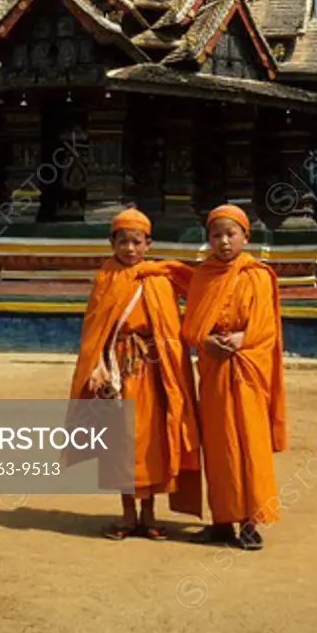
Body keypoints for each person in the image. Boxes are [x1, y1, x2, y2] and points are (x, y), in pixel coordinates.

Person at [68, 207, 201, 540]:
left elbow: (172, 326)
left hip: (155, 374)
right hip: (117, 372)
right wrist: (97, 366)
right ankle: (127, 514)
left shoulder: (159, 278)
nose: (130, 249)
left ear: (148, 243)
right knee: (119, 442)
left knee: (154, 440)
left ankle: (150, 513)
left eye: (136, 242)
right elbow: (95, 330)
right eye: (123, 242)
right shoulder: (105, 278)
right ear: (112, 242)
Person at [182, 203, 286, 551]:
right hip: (213, 370)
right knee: (218, 444)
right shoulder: (203, 275)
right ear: (208, 239)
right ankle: (222, 520)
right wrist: (207, 341)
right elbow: (192, 325)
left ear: (246, 236)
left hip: (247, 370)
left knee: (248, 443)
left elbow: (267, 328)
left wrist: (242, 339)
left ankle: (250, 522)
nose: (224, 242)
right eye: (216, 235)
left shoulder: (257, 274)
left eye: (231, 234)